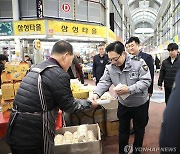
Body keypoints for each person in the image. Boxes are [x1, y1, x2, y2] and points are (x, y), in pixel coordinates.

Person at [6, 40, 98, 154]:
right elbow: (69, 106)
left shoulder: (37, 67)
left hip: (16, 127)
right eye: (70, 61)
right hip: (35, 133)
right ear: (65, 56)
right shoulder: (58, 74)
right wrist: (89, 103)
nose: (70, 65)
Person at [92, 41, 151, 154]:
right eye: (111, 59)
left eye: (115, 59)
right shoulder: (110, 67)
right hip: (123, 104)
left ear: (123, 53)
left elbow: (146, 81)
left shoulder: (138, 63)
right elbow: (104, 81)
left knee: (139, 131)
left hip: (140, 104)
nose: (113, 62)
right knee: (123, 131)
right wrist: (96, 94)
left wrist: (129, 89)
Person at [159, 68, 180, 154]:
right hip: (168, 85)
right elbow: (162, 72)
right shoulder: (165, 62)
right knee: (167, 102)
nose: (171, 53)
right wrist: (160, 83)